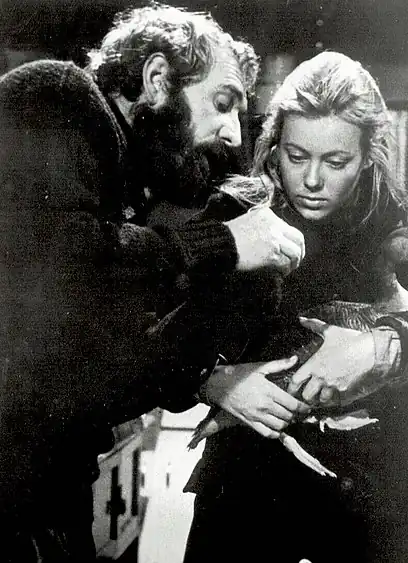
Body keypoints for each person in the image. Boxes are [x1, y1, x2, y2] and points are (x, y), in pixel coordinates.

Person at [0, 4, 309, 561]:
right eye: (223, 103)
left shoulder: (125, 179)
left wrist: (211, 377)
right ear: (158, 79)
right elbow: (59, 265)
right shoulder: (59, 95)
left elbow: (98, 355)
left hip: (49, 496)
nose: (232, 134)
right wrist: (224, 244)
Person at [183, 51, 408, 563]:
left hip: (384, 494)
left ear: (368, 156)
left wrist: (388, 346)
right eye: (296, 155)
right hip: (249, 486)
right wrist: (212, 380)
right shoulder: (234, 216)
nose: (312, 180)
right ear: (273, 145)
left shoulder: (404, 224)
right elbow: (150, 325)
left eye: (336, 163)